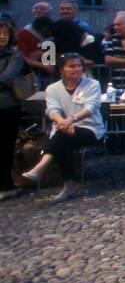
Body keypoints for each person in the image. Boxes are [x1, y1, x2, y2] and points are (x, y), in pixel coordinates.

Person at [22, 53, 105, 203]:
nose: (77, 69)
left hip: (90, 127)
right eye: (72, 66)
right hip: (63, 128)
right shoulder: (52, 88)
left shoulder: (92, 84)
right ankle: (68, 186)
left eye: (79, 66)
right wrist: (62, 122)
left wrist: (70, 120)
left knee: (62, 137)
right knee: (63, 139)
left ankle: (41, 168)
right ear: (61, 69)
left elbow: (91, 107)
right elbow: (52, 110)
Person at [0, 19, 27, 202]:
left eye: (5, 34)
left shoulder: (14, 55)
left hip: (6, 107)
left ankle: (6, 185)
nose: (2, 37)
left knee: (4, 147)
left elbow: (7, 78)